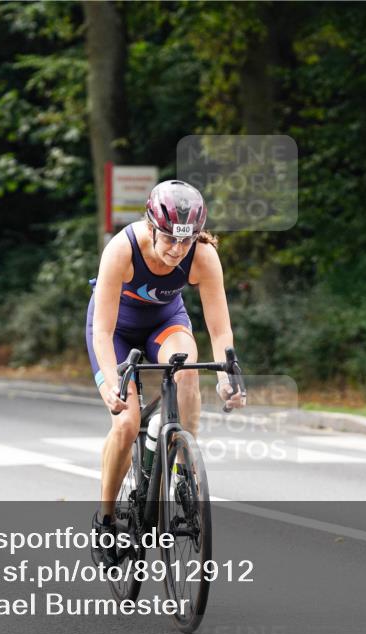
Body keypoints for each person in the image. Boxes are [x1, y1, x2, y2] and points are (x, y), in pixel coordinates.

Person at [86, 180, 245, 565]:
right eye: (169, 238)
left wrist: (227, 378)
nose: (177, 249)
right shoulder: (121, 250)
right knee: (125, 423)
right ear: (152, 226)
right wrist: (111, 385)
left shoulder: (203, 256)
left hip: (165, 322)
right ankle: (106, 520)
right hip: (117, 332)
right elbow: (103, 332)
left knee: (187, 370)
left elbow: (219, 328)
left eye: (185, 241)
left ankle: (181, 467)